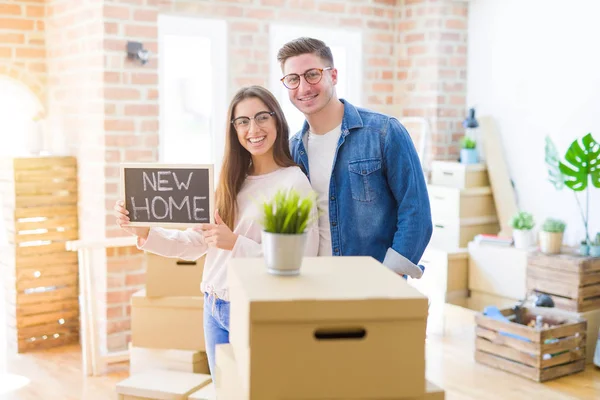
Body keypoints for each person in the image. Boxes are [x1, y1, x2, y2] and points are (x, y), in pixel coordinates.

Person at [113, 85, 319, 377]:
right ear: (233, 130)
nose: (253, 129)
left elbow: (301, 261)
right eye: (243, 121)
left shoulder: (294, 183)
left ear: (277, 121)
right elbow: (195, 242)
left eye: (262, 117)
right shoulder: (229, 181)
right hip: (213, 305)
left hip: (253, 309)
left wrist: (235, 242)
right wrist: (145, 231)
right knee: (224, 392)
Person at [276, 37, 432, 279]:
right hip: (312, 285)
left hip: (373, 287)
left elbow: (416, 213)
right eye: (293, 79)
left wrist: (386, 279)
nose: (303, 88)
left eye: (312, 75)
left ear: (333, 75)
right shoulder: (292, 150)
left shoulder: (384, 132)